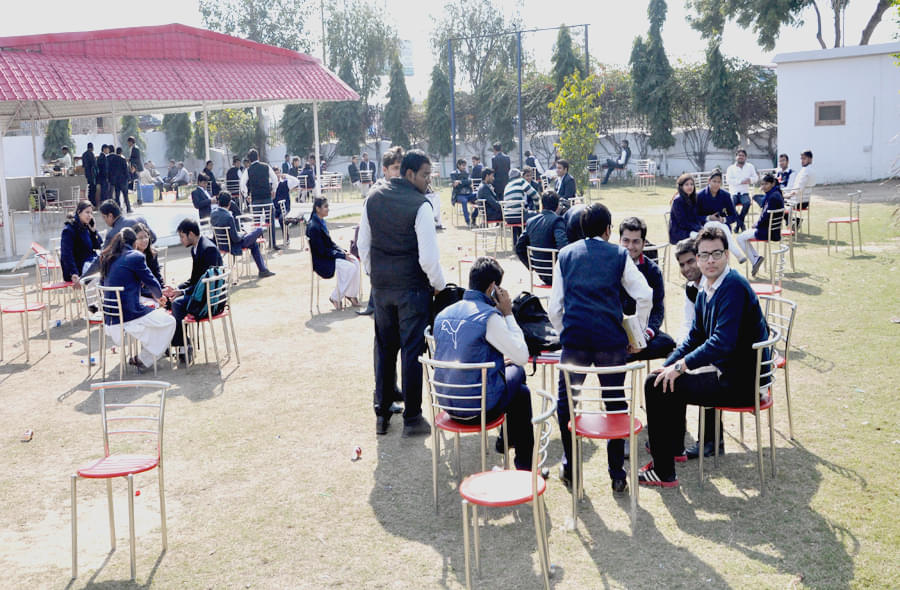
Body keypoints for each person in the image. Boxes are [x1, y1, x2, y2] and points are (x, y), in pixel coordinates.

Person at [639, 226, 771, 487]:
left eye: (717, 254)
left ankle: (663, 471)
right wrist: (668, 366)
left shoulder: (732, 286)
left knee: (656, 387)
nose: (710, 260)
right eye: (705, 255)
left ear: (727, 256)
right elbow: (694, 337)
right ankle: (674, 448)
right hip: (728, 373)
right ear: (698, 258)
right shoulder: (706, 289)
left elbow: (722, 342)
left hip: (743, 382)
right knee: (660, 379)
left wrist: (680, 366)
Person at [549, 203, 652, 494]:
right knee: (615, 403)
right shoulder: (618, 254)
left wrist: (565, 333)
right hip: (610, 343)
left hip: (576, 342)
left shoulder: (566, 255)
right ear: (608, 230)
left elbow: (555, 307)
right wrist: (637, 333)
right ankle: (617, 472)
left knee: (566, 403)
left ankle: (570, 463)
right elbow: (644, 294)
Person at [358, 149, 446, 437]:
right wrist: (439, 285)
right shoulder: (420, 206)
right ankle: (411, 417)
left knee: (385, 348)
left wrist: (375, 275)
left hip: (382, 288)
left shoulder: (373, 196)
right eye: (424, 175)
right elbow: (428, 259)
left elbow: (363, 244)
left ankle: (382, 414)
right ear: (409, 174)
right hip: (412, 289)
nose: (427, 180)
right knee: (411, 351)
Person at [434, 257, 534, 470]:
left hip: (446, 403)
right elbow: (522, 356)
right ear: (493, 288)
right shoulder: (489, 317)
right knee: (519, 379)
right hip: (478, 408)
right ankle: (522, 465)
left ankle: (507, 440)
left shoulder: (442, 315)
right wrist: (508, 313)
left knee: (519, 391)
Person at [100, 228, 176, 371]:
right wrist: (160, 296)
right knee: (169, 321)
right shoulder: (135, 256)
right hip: (129, 315)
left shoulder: (109, 258)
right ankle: (143, 359)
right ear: (134, 243)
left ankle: (143, 358)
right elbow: (152, 282)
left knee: (154, 317)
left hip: (110, 318)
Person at [162, 219, 223, 359]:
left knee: (177, 303)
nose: (181, 240)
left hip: (209, 299)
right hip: (200, 293)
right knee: (170, 300)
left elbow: (207, 283)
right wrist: (177, 288)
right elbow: (195, 279)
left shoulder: (208, 249)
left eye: (182, 236)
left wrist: (182, 292)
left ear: (191, 234)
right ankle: (182, 344)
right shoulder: (196, 248)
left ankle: (180, 345)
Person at [618, 217, 676, 361]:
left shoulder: (653, 271)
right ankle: (624, 352)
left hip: (643, 329)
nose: (630, 246)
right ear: (619, 241)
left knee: (668, 343)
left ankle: (628, 353)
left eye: (636, 241)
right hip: (617, 329)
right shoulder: (611, 266)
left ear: (644, 243)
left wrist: (643, 337)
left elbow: (657, 310)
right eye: (626, 241)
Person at [306, 197, 360, 309]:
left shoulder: (320, 222)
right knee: (350, 268)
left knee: (355, 261)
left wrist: (343, 252)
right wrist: (341, 255)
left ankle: (351, 295)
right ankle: (335, 297)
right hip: (322, 261)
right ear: (317, 208)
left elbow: (330, 243)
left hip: (329, 256)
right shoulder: (314, 227)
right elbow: (322, 251)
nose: (328, 209)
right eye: (325, 207)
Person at [211, 191, 275, 279]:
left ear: (218, 202)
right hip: (232, 245)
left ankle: (263, 270)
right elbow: (236, 239)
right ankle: (263, 270)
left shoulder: (213, 214)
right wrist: (243, 234)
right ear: (230, 203)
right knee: (259, 230)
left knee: (253, 243)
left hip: (221, 244)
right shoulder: (228, 216)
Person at [514, 191, 568, 284]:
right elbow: (563, 247)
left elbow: (519, 247)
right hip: (557, 273)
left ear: (542, 205)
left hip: (540, 272)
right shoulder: (557, 221)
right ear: (557, 206)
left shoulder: (531, 222)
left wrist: (532, 265)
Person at [737, 173, 784, 277]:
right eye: (762, 184)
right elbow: (766, 215)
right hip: (772, 229)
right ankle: (756, 259)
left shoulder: (772, 197)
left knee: (740, 238)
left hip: (767, 231)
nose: (763, 187)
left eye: (766, 184)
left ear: (772, 183)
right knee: (743, 236)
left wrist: (756, 225)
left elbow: (766, 216)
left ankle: (755, 260)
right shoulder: (776, 193)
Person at [240, 148, 280, 250]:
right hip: (267, 197)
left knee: (256, 223)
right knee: (270, 220)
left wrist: (246, 196)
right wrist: (274, 190)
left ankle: (257, 244)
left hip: (255, 200)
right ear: (258, 157)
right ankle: (272, 243)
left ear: (249, 160)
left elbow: (242, 184)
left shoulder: (248, 170)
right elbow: (275, 179)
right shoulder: (266, 167)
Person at [60, 201, 102, 285]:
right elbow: (66, 254)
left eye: (91, 213)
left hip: (89, 263)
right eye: (87, 212)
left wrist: (94, 231)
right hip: (77, 268)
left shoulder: (86, 227)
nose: (90, 216)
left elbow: (98, 246)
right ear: (79, 212)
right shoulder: (69, 230)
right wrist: (73, 273)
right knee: (99, 274)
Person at [725, 149, 758, 232]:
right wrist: (740, 181)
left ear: (745, 157)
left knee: (747, 203)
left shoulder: (750, 166)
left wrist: (750, 180)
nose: (741, 157)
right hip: (733, 193)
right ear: (736, 157)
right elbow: (728, 180)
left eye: (742, 156)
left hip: (744, 192)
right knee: (731, 204)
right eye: (739, 155)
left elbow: (756, 178)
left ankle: (738, 224)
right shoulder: (731, 168)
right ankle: (741, 224)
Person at [503, 168, 539, 242]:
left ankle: (516, 243)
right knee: (539, 217)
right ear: (520, 175)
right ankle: (535, 242)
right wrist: (537, 209)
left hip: (508, 218)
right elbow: (535, 195)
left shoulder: (507, 186)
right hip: (520, 216)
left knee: (520, 214)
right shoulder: (521, 181)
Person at [668, 174, 704, 245]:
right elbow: (682, 222)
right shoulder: (677, 200)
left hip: (691, 229)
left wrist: (701, 227)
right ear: (681, 187)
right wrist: (698, 229)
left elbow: (696, 217)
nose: (690, 186)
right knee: (701, 238)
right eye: (686, 184)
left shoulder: (693, 198)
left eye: (691, 184)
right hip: (679, 232)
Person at [131, 222, 164, 299]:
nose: (144, 240)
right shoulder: (131, 257)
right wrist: (152, 294)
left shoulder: (152, 254)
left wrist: (162, 288)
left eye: (146, 236)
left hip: (152, 290)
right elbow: (133, 285)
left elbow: (157, 274)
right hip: (138, 293)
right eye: (140, 238)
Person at [785, 150, 815, 228]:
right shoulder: (811, 170)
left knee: (777, 204)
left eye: (804, 158)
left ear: (810, 159)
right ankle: (793, 222)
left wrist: (787, 195)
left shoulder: (806, 171)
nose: (802, 161)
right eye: (801, 158)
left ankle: (793, 222)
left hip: (798, 201)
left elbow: (798, 189)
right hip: (805, 201)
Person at [450, 158, 478, 227]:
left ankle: (473, 218)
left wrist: (460, 182)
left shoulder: (466, 173)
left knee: (479, 196)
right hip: (459, 195)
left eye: (465, 165)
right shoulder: (453, 174)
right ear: (458, 165)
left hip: (469, 194)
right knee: (464, 201)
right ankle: (468, 221)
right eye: (463, 165)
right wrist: (464, 182)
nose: (464, 167)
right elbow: (455, 184)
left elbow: (469, 182)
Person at [108, 146, 131, 213]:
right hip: (123, 181)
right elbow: (126, 170)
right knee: (125, 195)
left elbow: (110, 171)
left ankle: (118, 209)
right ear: (121, 152)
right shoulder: (123, 160)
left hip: (116, 181)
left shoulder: (112, 160)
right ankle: (128, 208)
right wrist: (128, 178)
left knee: (117, 196)